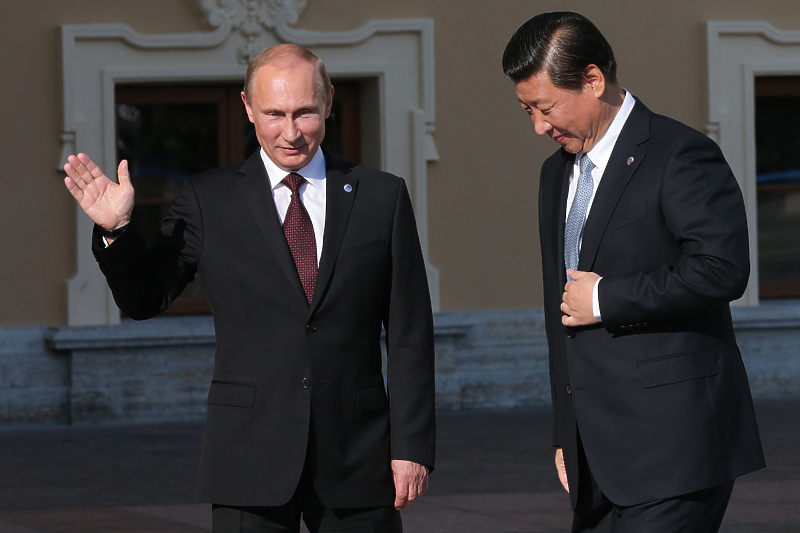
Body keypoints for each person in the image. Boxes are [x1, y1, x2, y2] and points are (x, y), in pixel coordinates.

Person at [63, 44, 435, 533]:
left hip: (358, 453)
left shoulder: (381, 196)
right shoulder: (207, 199)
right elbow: (144, 299)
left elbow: (410, 333)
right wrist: (117, 233)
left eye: (304, 112)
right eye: (274, 114)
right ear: (246, 107)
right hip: (248, 454)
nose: (290, 132)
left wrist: (410, 448)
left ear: (328, 103)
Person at [502, 12, 765, 532]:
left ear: (593, 81)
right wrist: (564, 433)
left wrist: (606, 299)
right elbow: (560, 313)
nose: (538, 125)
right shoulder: (555, 173)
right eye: (526, 109)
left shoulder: (680, 153)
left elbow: (722, 268)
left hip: (676, 446)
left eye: (546, 106)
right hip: (595, 456)